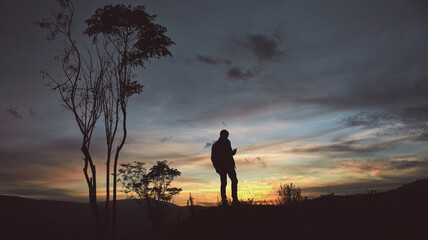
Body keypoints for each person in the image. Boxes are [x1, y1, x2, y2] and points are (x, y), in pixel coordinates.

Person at [211, 129, 239, 206]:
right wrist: (233, 152)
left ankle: (226, 200)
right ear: (224, 135)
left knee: (225, 183)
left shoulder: (216, 144)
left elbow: (213, 158)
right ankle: (233, 200)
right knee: (231, 181)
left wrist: (216, 167)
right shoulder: (225, 142)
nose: (227, 137)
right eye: (227, 135)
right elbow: (227, 154)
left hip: (224, 166)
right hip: (226, 166)